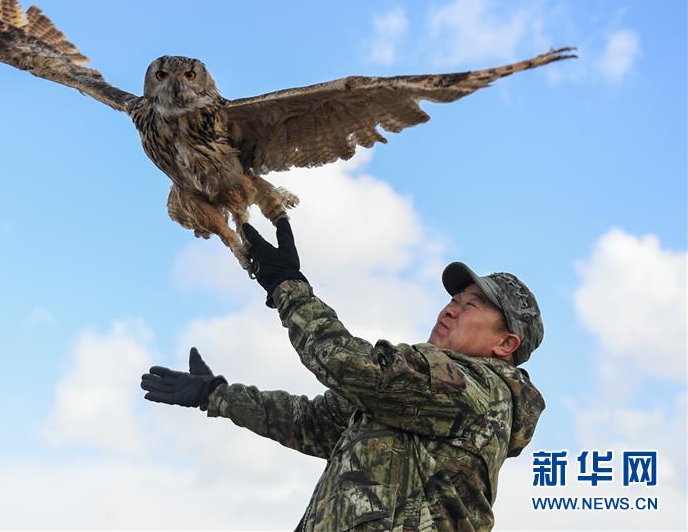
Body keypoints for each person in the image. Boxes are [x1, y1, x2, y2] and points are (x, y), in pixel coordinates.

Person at [140, 219, 545, 531]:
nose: (451, 308)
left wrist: (287, 286)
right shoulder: (415, 398)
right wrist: (215, 394)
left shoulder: (479, 390)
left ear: (506, 345)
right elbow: (312, 422)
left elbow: (348, 365)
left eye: (471, 304)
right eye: (454, 299)